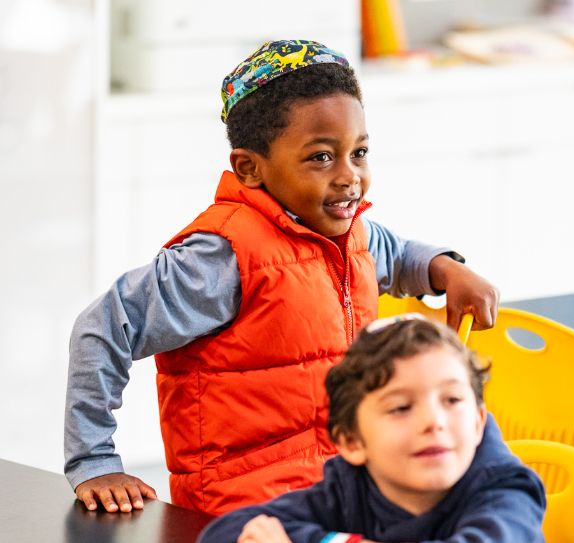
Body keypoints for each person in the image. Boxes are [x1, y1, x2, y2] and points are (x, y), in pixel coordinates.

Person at [64, 39, 499, 516]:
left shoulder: (348, 232)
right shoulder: (220, 258)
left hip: (344, 490)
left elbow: (395, 255)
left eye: (359, 152)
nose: (349, 176)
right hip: (248, 510)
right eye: (321, 157)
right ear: (250, 168)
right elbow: (103, 328)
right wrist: (95, 460)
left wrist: (446, 269)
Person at [197, 316, 546, 543]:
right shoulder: (351, 488)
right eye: (401, 408)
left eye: (452, 400)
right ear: (352, 442)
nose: (433, 421)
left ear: (478, 422)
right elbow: (226, 533)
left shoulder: (507, 492)